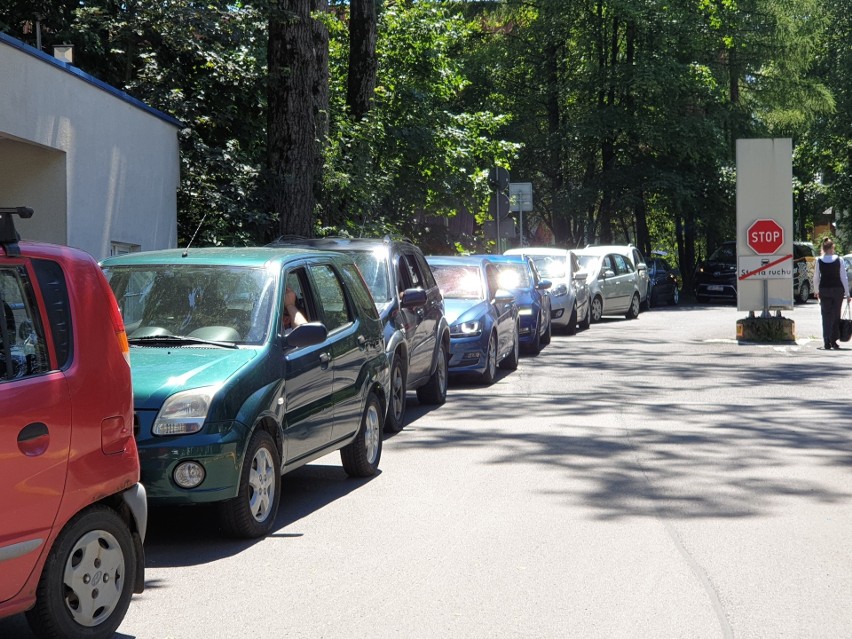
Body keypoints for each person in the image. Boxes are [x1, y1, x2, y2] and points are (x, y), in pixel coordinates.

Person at [813, 237, 850, 350]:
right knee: (835, 315)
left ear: (823, 248)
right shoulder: (839, 260)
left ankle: (826, 341)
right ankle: (834, 341)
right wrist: (847, 294)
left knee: (826, 315)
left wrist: (816, 291)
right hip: (837, 290)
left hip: (824, 289)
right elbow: (843, 277)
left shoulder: (819, 260)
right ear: (832, 248)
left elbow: (816, 278)